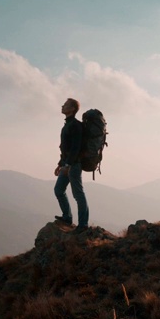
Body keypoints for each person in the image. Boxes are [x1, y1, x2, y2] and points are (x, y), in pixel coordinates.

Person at [54, 98, 89, 233]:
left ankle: (83, 224)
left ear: (72, 109)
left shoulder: (75, 125)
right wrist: (60, 164)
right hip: (67, 164)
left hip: (73, 166)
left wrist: (67, 165)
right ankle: (67, 217)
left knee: (78, 194)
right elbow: (66, 148)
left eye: (65, 105)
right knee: (58, 190)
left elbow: (75, 148)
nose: (62, 106)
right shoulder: (68, 125)